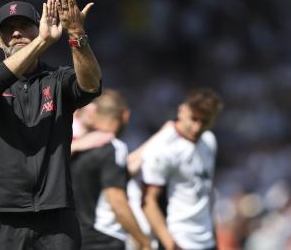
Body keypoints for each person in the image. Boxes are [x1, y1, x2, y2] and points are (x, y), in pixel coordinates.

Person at [0, 0, 102, 250]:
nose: (16, 33)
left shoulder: (58, 80)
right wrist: (42, 41)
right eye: (8, 28)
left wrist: (76, 35)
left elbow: (91, 85)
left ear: (38, 27)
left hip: (55, 215)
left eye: (25, 25)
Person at [138, 88, 223, 250]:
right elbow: (148, 201)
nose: (197, 128)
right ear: (181, 111)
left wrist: (213, 233)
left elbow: (207, 192)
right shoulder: (162, 148)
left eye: (205, 122)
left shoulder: (209, 141)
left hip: (207, 242)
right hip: (179, 240)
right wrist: (171, 244)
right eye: (194, 119)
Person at [70, 89, 151, 250]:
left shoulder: (76, 149)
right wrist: (143, 241)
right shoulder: (115, 148)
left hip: (74, 238)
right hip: (105, 239)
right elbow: (117, 201)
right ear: (125, 115)